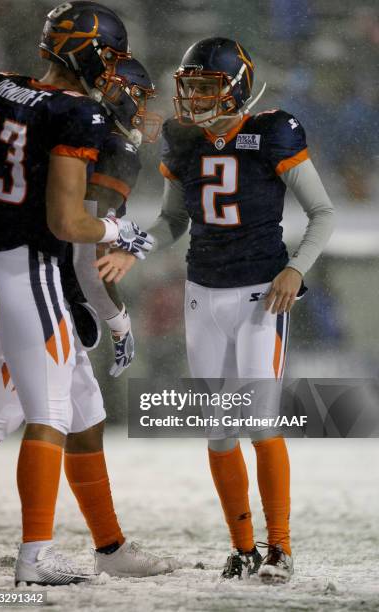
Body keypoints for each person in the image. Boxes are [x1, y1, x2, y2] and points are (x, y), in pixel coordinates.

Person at [95, 37, 335, 584]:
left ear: (236, 89)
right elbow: (174, 219)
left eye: (207, 87)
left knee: (258, 421)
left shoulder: (274, 131)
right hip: (202, 293)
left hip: (260, 293)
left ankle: (280, 549)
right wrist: (134, 247)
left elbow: (322, 212)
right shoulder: (182, 140)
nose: (195, 98)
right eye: (191, 87)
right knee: (219, 429)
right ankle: (242, 547)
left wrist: (296, 267)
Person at [0, 1, 154, 586]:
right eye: (108, 59)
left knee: (81, 409)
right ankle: (35, 560)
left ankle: (110, 546)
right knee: (44, 415)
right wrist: (119, 231)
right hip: (29, 271)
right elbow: (67, 224)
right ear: (87, 53)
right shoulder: (81, 116)